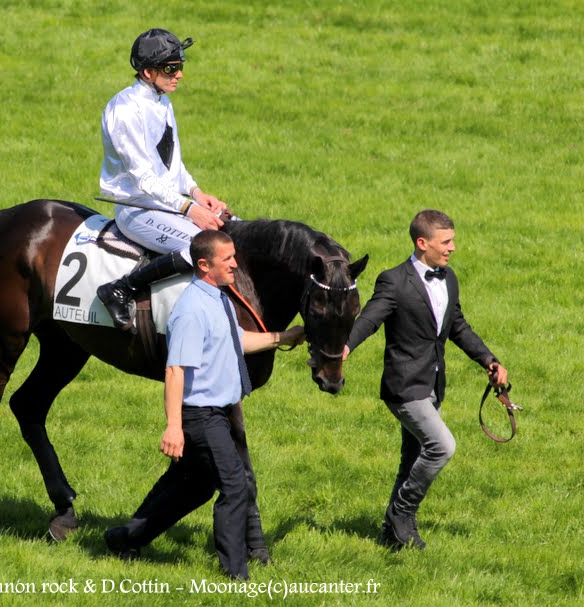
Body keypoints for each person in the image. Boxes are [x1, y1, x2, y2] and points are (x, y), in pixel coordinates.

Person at [104, 230, 305, 579]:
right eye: (226, 259)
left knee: (194, 487)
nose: (234, 264)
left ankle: (124, 538)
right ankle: (235, 572)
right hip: (201, 416)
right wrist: (173, 426)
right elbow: (174, 370)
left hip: (218, 413)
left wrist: (282, 337)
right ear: (204, 264)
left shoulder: (221, 297)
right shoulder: (191, 310)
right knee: (235, 486)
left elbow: (236, 339)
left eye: (234, 256)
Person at [344, 209, 508, 549]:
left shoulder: (448, 278)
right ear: (422, 243)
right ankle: (401, 513)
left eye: (452, 241)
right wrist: (344, 346)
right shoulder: (394, 280)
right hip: (404, 387)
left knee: (412, 458)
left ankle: (394, 536)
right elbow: (370, 318)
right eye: (445, 242)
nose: (452, 248)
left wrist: (488, 360)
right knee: (442, 446)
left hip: (433, 384)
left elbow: (457, 326)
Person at [97, 28, 230, 332]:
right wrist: (189, 210)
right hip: (136, 209)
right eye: (172, 68)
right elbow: (144, 178)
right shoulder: (125, 110)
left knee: (235, 230)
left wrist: (197, 194)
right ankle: (121, 288)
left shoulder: (162, 101)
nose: (180, 74)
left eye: (180, 66)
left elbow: (172, 166)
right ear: (147, 71)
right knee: (204, 247)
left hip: (167, 205)